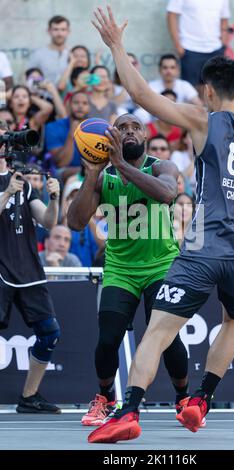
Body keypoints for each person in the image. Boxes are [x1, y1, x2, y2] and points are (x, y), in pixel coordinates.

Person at [88, 8, 234, 443]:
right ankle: (201, 399)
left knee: (159, 329)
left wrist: (116, 46)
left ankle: (128, 411)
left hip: (204, 247)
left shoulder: (203, 120)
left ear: (205, 90)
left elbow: (142, 95)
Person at [68, 113, 189, 427]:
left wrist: (121, 165)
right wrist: (92, 172)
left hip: (161, 264)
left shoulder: (161, 166)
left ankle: (184, 397)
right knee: (108, 339)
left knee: (167, 337)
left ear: (146, 138)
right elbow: (76, 223)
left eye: (136, 127)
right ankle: (105, 398)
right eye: (122, 127)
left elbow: (167, 194)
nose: (130, 131)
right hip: (120, 268)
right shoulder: (103, 177)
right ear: (113, 137)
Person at [0, 123, 61, 413]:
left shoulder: (22, 180)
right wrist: (6, 192)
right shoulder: (14, 183)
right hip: (1, 269)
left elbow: (48, 222)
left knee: (50, 332)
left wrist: (55, 198)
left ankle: (29, 396)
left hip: (28, 270)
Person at [167, 0, 230, 94]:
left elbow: (224, 19)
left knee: (215, 90)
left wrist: (223, 45)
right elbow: (171, 15)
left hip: (215, 49)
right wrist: (178, 45)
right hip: (190, 48)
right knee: (190, 92)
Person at [44, 91, 90, 180]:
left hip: (89, 171)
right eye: (76, 102)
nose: (80, 106)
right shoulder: (53, 127)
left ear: (89, 107)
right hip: (62, 173)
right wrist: (71, 134)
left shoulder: (95, 128)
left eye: (85, 103)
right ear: (68, 105)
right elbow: (61, 164)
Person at [28, 15, 71, 85]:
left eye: (63, 29)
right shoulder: (38, 54)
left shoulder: (74, 54)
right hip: (45, 95)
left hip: (70, 95)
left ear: (68, 31)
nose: (59, 34)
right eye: (55, 29)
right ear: (49, 31)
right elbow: (27, 77)